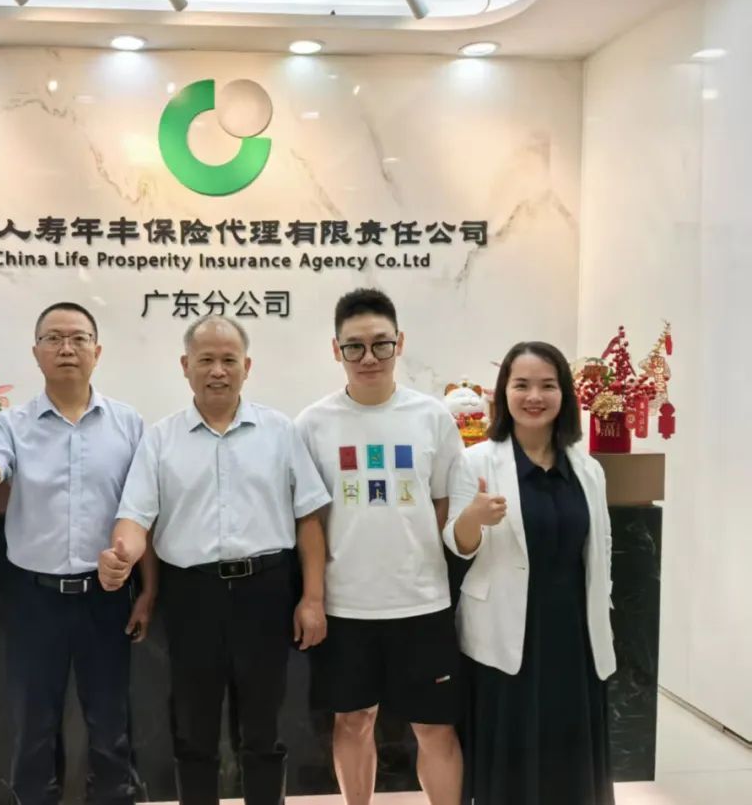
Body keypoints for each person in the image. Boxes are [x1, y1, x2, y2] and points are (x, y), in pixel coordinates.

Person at [98, 316, 331, 805]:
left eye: (229, 360)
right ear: (186, 366)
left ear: (247, 367)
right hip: (191, 596)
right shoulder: (161, 439)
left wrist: (312, 598)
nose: (218, 371)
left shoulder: (279, 432)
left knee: (264, 729)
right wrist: (122, 554)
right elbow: (136, 518)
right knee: (193, 730)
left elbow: (309, 518)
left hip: (266, 592)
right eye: (206, 360)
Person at [0, 302, 147, 805]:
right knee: (33, 729)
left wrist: (145, 589)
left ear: (97, 351)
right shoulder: (11, 425)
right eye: (53, 338)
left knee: (110, 727)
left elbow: (142, 510)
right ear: (36, 353)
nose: (66, 348)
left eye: (78, 338)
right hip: (35, 600)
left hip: (106, 597)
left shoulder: (130, 425)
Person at [295, 288, 465, 805]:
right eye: (354, 346)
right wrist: (314, 598)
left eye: (380, 344)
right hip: (347, 606)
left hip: (423, 603)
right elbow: (310, 520)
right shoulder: (312, 424)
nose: (368, 357)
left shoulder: (433, 417)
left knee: (435, 727)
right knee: (352, 721)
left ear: (400, 343)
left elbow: (444, 505)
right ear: (336, 349)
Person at [444, 341, 616, 805]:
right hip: (506, 627)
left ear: (564, 395)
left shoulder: (587, 468)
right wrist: (474, 518)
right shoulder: (477, 461)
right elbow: (457, 545)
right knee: (512, 751)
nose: (534, 396)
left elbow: (601, 544)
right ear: (504, 392)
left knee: (570, 747)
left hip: (575, 630)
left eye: (547, 385)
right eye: (521, 385)